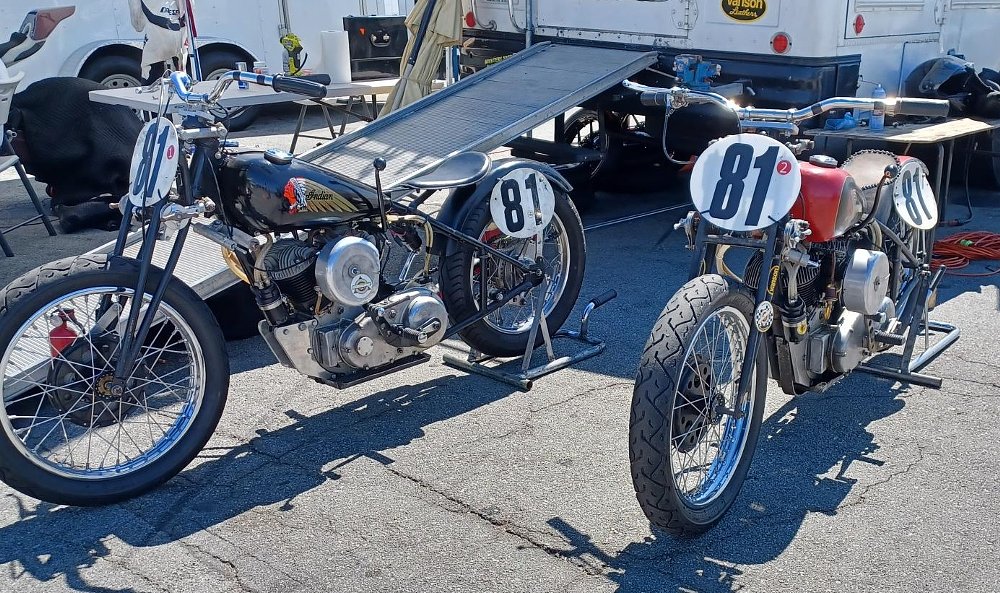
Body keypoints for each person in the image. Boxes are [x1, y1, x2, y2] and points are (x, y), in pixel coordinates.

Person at [128, 0, 191, 85]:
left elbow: (138, 25)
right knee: (181, 85)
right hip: (179, 42)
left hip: (156, 45)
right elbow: (189, 14)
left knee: (150, 87)